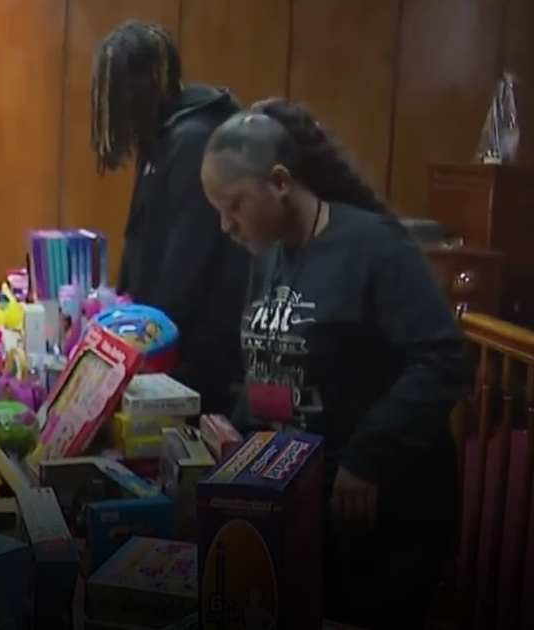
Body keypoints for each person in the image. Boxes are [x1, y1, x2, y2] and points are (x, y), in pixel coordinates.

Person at [201, 99, 468, 629]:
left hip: (385, 506)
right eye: (218, 212)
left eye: (233, 205)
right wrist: (233, 437)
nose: (226, 225)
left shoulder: (375, 248)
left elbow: (445, 359)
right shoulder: (271, 251)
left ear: (280, 182)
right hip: (306, 500)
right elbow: (267, 360)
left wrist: (368, 458)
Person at [91, 20, 248, 414]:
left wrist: (146, 340)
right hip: (165, 348)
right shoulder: (162, 137)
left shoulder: (192, 140)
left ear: (152, 81)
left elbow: (186, 266)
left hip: (194, 358)